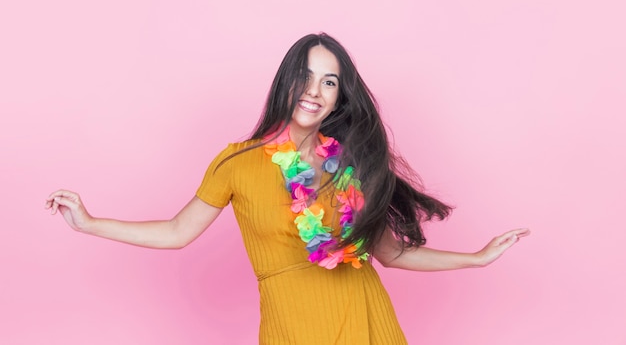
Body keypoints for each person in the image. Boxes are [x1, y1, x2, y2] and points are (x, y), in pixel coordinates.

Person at [46, 32, 529, 344]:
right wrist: (89, 224)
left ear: (340, 96)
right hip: (294, 327)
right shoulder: (236, 162)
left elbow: (390, 254)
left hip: (364, 318)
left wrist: (476, 257)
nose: (315, 91)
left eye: (330, 82)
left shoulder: (347, 166)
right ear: (287, 80)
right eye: (306, 76)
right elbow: (176, 231)